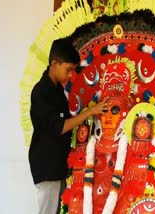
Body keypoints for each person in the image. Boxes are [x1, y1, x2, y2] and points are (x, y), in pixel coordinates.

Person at [28, 38, 109, 214]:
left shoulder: (57, 90)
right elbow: (59, 127)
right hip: (47, 168)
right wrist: (90, 112)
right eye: (68, 70)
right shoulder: (41, 92)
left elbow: (68, 122)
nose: (71, 75)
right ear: (54, 64)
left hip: (58, 167)